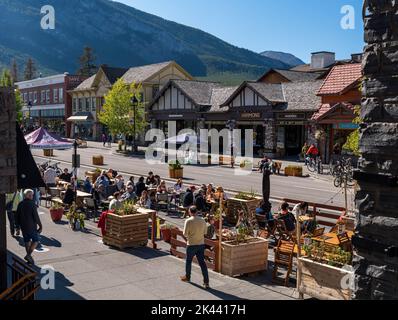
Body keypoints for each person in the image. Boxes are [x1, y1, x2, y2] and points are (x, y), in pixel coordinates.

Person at [181, 206, 210, 289]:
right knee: (202, 263)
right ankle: (206, 282)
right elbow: (205, 232)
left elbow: (185, 234)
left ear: (190, 212)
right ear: (197, 212)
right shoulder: (202, 220)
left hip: (191, 244)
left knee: (189, 261)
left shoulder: (188, 221)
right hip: (201, 244)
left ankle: (187, 276)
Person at [15, 189, 43, 265]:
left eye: (32, 195)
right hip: (31, 226)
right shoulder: (32, 203)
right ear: (27, 195)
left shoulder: (20, 204)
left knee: (27, 241)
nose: (32, 196)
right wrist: (40, 226)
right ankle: (28, 255)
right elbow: (36, 216)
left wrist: (17, 227)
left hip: (23, 226)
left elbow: (17, 216)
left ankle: (29, 259)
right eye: (30, 195)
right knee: (36, 240)